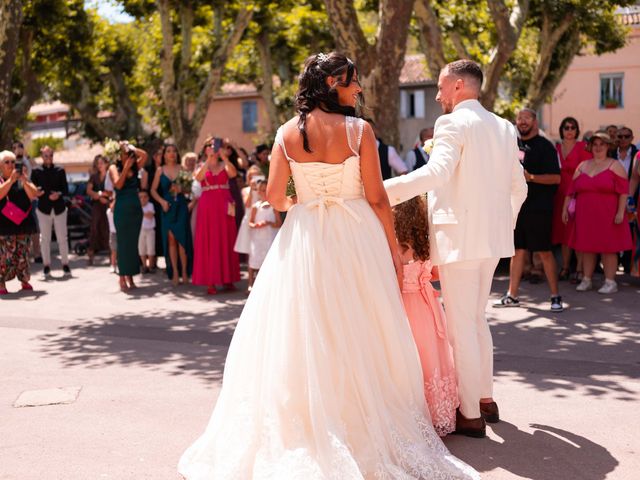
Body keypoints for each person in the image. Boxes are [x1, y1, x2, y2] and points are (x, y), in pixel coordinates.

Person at [178, 52, 478, 479]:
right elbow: (376, 197)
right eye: (354, 82)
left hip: (306, 237)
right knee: (361, 325)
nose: (359, 90)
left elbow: (278, 197)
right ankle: (357, 418)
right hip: (356, 235)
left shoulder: (285, 133)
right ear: (335, 83)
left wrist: (307, 200)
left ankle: (313, 420)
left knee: (306, 327)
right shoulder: (360, 131)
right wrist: (393, 251)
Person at [384, 59, 528, 437]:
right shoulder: (504, 127)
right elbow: (520, 189)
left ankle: (469, 414)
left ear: (459, 87)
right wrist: (502, 225)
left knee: (462, 325)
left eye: (441, 86)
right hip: (492, 241)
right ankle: (484, 397)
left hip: (459, 238)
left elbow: (436, 174)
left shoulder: (452, 122)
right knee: (476, 319)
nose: (437, 94)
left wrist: (383, 191)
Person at [393, 194, 458, 437]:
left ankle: (415, 412)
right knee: (432, 353)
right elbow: (437, 275)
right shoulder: (426, 244)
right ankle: (438, 411)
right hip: (429, 306)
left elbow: (393, 279)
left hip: (406, 306)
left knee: (412, 355)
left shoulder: (397, 247)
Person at [493, 108, 563, 312]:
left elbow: (556, 178)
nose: (522, 121)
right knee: (517, 251)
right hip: (516, 207)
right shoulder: (512, 145)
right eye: (519, 118)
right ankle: (511, 295)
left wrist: (530, 177)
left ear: (535, 121)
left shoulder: (546, 146)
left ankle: (555, 296)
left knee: (544, 253)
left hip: (539, 208)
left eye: (527, 118)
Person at [562, 131, 632, 294]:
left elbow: (623, 192)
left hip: (608, 214)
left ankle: (610, 282)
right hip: (585, 214)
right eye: (595, 144)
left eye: (602, 144)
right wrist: (564, 209)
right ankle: (587, 279)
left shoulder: (615, 165)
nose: (598, 147)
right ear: (591, 146)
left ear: (608, 146)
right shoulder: (582, 166)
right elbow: (570, 191)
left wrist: (621, 212)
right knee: (586, 247)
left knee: (609, 248)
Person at [191, 137, 240, 295]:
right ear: (205, 149)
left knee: (226, 238)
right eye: (210, 146)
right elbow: (198, 178)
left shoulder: (224, 164)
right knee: (209, 240)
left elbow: (233, 174)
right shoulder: (201, 165)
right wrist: (208, 160)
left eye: (216, 146)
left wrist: (224, 157)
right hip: (208, 206)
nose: (213, 148)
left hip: (224, 204)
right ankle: (210, 281)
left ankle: (228, 279)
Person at [551, 117, 592, 282]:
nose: (569, 130)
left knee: (577, 232)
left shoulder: (583, 147)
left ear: (577, 130)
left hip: (577, 195)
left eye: (573, 127)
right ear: (562, 129)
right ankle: (566, 267)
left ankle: (580, 269)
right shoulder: (556, 148)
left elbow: (588, 170)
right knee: (563, 234)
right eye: (566, 127)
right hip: (560, 195)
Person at [151, 144, 193, 285]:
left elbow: (189, 191)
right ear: (164, 154)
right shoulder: (159, 170)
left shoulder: (183, 169)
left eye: (174, 151)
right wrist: (162, 201)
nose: (172, 153)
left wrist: (182, 189)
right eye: (168, 151)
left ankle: (185, 272)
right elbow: (153, 190)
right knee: (171, 240)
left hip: (180, 206)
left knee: (182, 239)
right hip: (167, 208)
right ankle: (175, 271)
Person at [0, 151, 40, 294]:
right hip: (4, 226)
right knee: (5, 256)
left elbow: (33, 194)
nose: (11, 165)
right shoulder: (2, 180)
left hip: (23, 223)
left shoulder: (22, 179)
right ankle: (1, 283)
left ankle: (24, 280)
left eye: (13, 162)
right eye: (7, 162)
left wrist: (24, 179)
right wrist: (10, 181)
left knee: (23, 254)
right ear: (0, 166)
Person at [109, 142, 147, 291]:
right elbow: (118, 185)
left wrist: (131, 147)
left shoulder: (136, 166)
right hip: (122, 210)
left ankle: (130, 276)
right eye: (125, 153)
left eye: (129, 154)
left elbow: (145, 155)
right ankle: (121, 277)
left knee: (132, 245)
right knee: (123, 244)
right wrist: (125, 167)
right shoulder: (114, 168)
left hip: (135, 210)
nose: (129, 156)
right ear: (119, 155)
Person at [31, 146, 71, 277]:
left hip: (59, 208)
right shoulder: (36, 171)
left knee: (62, 238)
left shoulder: (60, 170)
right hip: (43, 209)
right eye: (46, 156)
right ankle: (46, 265)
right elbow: (33, 189)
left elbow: (65, 190)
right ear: (42, 156)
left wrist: (58, 194)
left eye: (51, 155)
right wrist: (39, 193)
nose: (48, 158)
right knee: (45, 239)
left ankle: (65, 264)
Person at [612, 126, 638, 274]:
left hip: (631, 200)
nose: (622, 139)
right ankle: (612, 265)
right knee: (613, 231)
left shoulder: (636, 154)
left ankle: (628, 265)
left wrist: (630, 198)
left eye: (626, 136)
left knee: (630, 231)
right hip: (611, 199)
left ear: (632, 137)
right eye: (619, 136)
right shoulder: (610, 154)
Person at [234, 165, 263, 291]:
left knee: (262, 250)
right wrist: (252, 190)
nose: (254, 179)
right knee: (251, 253)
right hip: (249, 222)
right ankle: (250, 283)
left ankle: (260, 281)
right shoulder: (245, 190)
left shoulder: (264, 189)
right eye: (251, 176)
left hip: (261, 220)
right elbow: (246, 203)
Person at [12, 140, 40, 262]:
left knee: (34, 226)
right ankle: (19, 255)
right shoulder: (10, 162)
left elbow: (36, 167)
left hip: (29, 195)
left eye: (21, 147)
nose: (19, 150)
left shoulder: (27, 160)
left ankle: (37, 254)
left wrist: (27, 155)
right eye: (16, 148)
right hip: (15, 196)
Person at [248, 179, 281, 281]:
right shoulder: (255, 207)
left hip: (270, 238)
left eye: (266, 190)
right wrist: (256, 225)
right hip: (258, 238)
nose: (263, 192)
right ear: (258, 192)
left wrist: (269, 223)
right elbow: (250, 222)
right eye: (261, 190)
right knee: (255, 258)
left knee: (270, 259)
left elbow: (279, 223)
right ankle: (250, 283)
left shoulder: (274, 206)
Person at [86, 154, 111, 265]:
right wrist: (99, 196)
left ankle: (112, 258)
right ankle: (91, 256)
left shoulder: (111, 176)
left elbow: (113, 190)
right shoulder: (94, 177)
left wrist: (107, 198)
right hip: (97, 206)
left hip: (109, 205)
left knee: (109, 229)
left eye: (102, 163)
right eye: (98, 163)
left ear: (106, 164)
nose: (100, 165)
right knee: (94, 229)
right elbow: (89, 190)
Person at [138, 190, 156, 273]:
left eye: (145, 197)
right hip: (140, 230)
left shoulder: (150, 205)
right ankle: (144, 266)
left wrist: (141, 213)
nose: (143, 199)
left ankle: (151, 266)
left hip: (150, 230)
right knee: (142, 249)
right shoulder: (137, 206)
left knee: (150, 248)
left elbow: (150, 215)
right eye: (140, 197)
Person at [106, 199, 117, 274]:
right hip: (113, 233)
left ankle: (120, 266)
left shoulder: (119, 211)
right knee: (113, 251)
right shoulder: (109, 212)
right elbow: (112, 208)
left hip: (120, 233)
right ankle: (113, 265)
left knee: (120, 251)